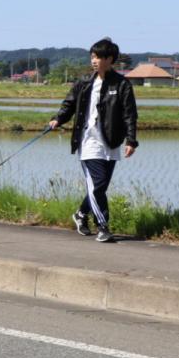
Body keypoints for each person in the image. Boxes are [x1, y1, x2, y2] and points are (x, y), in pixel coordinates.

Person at [48, 36, 138, 243]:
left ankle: (81, 214)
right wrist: (58, 119)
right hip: (88, 142)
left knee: (99, 187)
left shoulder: (122, 84)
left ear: (110, 59)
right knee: (97, 185)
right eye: (92, 57)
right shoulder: (84, 84)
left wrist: (131, 140)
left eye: (98, 57)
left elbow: (130, 114)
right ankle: (103, 226)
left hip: (111, 142)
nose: (94, 61)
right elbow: (69, 104)